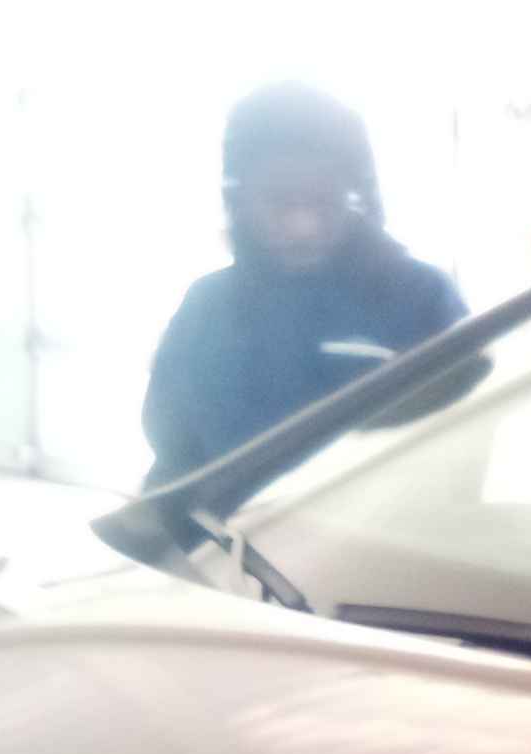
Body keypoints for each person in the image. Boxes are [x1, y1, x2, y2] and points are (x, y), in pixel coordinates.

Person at [143, 83, 466, 486]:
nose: (303, 227)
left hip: (385, 525)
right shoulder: (206, 308)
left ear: (354, 195)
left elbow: (461, 452)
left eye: (324, 202)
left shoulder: (422, 299)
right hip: (237, 527)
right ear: (239, 199)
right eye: (278, 202)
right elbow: (173, 456)